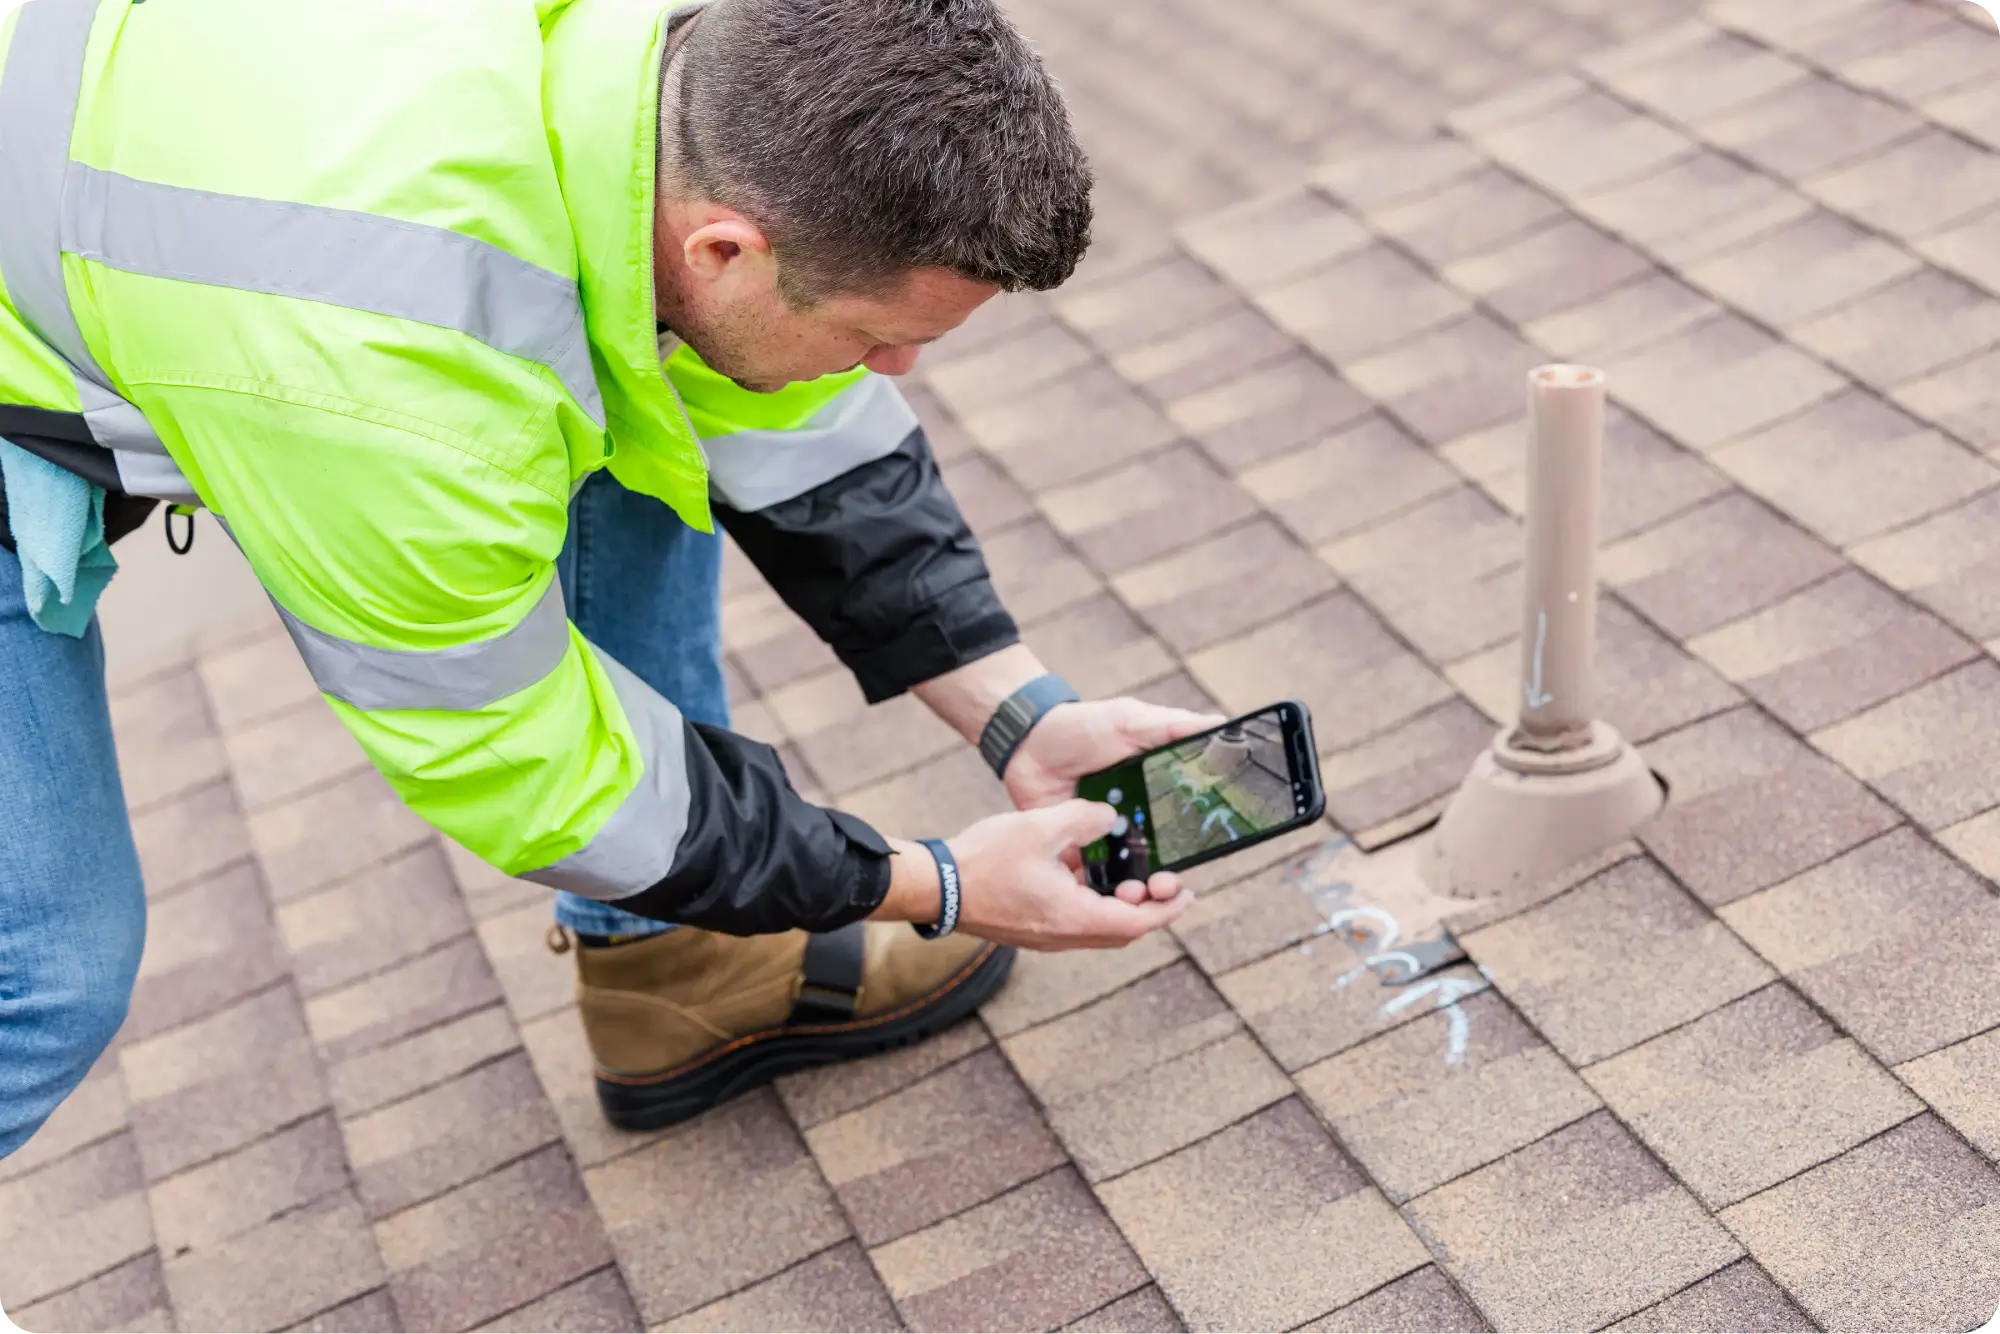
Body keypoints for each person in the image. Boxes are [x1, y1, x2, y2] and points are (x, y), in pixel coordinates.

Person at [0, 0, 1222, 1155]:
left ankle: (672, 964)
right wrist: (932, 884)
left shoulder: (678, 80)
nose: (893, 366)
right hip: (209, 323)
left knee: (661, 375)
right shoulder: (401, 384)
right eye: (873, 334)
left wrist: (1015, 709)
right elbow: (527, 761)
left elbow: (786, 413)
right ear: (725, 245)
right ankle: (679, 950)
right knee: (46, 974)